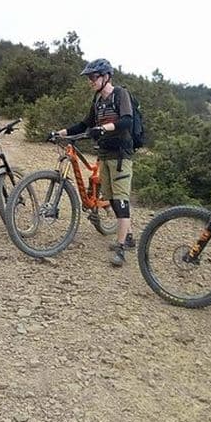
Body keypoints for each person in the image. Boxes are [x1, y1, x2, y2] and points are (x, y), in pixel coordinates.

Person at [51, 58, 134, 267]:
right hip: (104, 154)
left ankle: (121, 248)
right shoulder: (97, 100)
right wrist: (59, 132)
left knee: (121, 202)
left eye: (93, 77)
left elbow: (127, 120)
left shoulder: (120, 94)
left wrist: (103, 128)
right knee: (112, 199)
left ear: (106, 77)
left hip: (121, 157)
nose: (90, 81)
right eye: (89, 78)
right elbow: (84, 124)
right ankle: (129, 235)